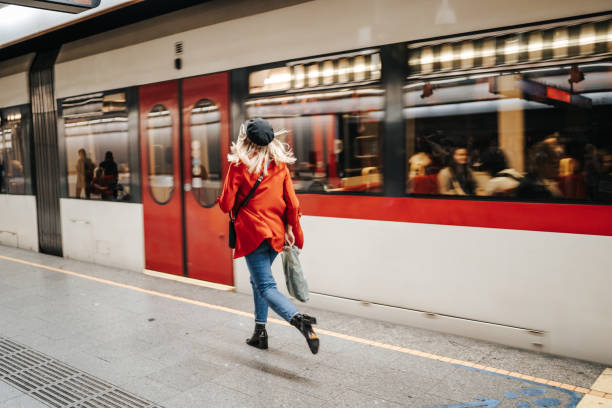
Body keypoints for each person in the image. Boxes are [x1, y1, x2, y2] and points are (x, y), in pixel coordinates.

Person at [218, 118, 319, 354]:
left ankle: (300, 321)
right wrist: (292, 229)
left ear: (246, 141)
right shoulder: (280, 166)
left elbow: (226, 205)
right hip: (276, 234)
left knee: (265, 285)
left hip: (252, 235)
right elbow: (293, 204)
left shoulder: (238, 167)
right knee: (258, 281)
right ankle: (260, 332)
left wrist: (222, 198)